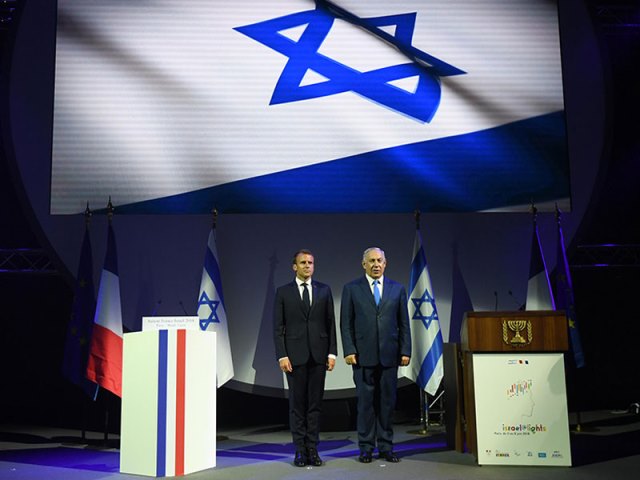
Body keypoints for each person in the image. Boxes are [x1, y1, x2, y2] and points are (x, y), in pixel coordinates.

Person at [340, 247, 411, 463]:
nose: (376, 264)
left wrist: (405, 350)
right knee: (365, 405)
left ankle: (386, 447)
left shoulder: (397, 289)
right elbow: (346, 323)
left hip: (390, 356)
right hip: (363, 356)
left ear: (385, 263)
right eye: (371, 261)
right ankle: (366, 448)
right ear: (364, 264)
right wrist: (349, 349)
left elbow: (403, 323)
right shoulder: (351, 289)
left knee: (387, 404)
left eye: (379, 260)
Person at [274, 249, 337, 467]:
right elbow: (278, 327)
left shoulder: (324, 290)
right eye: (303, 263)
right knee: (297, 405)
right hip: (294, 357)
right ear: (295, 266)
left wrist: (331, 352)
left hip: (319, 356)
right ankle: (299, 450)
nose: (307, 266)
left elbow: (330, 323)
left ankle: (313, 448)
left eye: (310, 262)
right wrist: (282, 354)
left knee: (315, 405)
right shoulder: (283, 292)